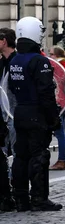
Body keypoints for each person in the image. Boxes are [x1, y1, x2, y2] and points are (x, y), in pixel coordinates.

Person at [8, 17, 62, 211]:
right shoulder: (39, 61)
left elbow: (11, 87)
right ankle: (39, 198)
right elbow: (46, 93)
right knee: (39, 156)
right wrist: (53, 118)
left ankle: (21, 197)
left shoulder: (15, 59)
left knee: (21, 156)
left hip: (20, 111)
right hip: (36, 113)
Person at [0, 28, 16, 211]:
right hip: (2, 114)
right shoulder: (1, 63)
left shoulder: (15, 62)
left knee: (17, 153)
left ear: (4, 41)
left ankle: (14, 191)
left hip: (13, 114)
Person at [48, 46, 65, 171]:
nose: (49, 56)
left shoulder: (58, 66)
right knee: (60, 133)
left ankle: (62, 160)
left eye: (51, 54)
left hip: (59, 102)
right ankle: (61, 160)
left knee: (59, 133)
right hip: (64, 103)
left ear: (56, 55)